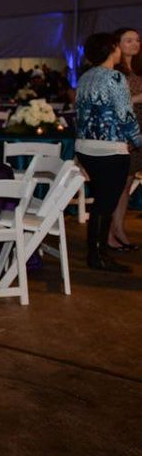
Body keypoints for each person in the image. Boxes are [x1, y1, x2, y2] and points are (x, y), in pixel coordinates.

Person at [75, 32, 142, 273]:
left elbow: (80, 115)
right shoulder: (115, 78)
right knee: (105, 203)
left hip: (86, 147)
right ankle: (98, 254)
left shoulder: (85, 77)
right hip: (110, 149)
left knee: (101, 202)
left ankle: (97, 252)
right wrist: (137, 140)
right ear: (111, 49)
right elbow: (125, 115)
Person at [108, 27, 141, 252]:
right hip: (122, 132)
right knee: (117, 184)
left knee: (127, 184)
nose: (134, 44)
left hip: (138, 132)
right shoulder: (113, 72)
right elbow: (112, 104)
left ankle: (119, 229)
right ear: (117, 45)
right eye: (128, 40)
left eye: (137, 40)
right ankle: (111, 233)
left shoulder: (137, 70)